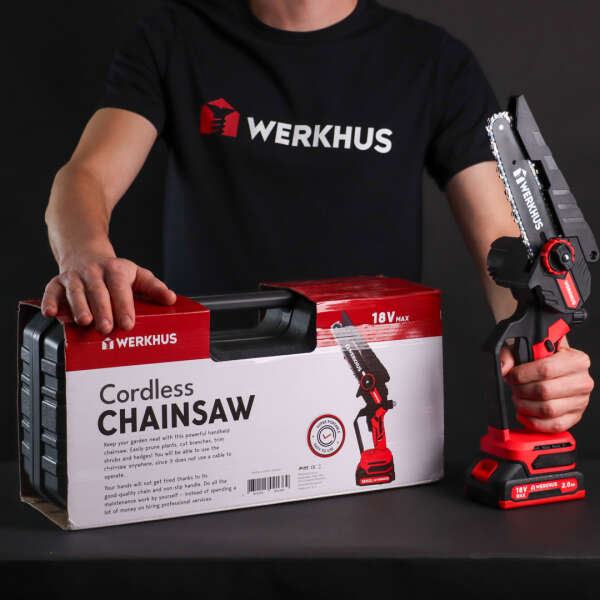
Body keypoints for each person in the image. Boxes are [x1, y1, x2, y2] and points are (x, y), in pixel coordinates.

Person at [41, 0, 593, 433]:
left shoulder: (432, 62)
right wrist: (86, 254)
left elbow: (502, 243)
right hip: (207, 400)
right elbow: (85, 177)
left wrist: (544, 350)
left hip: (367, 395)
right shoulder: (175, 38)